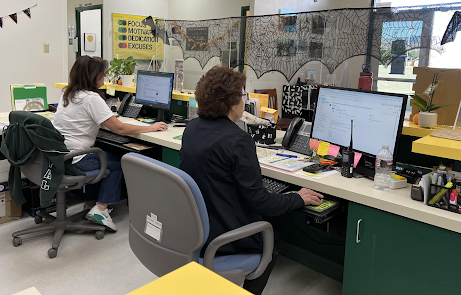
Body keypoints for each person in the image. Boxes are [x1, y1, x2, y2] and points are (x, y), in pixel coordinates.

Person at [179, 66, 323, 295]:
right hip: (223, 237)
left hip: (196, 230)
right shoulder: (238, 140)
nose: (245, 100)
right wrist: (297, 198)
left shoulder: (192, 128)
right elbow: (261, 202)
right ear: (232, 101)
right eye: (243, 95)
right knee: (272, 236)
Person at [53, 56, 168, 231]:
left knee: (100, 153)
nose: (105, 77)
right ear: (93, 76)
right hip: (77, 158)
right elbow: (119, 129)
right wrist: (150, 128)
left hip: (61, 155)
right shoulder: (91, 98)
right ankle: (100, 209)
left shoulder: (68, 93)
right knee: (120, 161)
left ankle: (91, 203)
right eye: (102, 73)